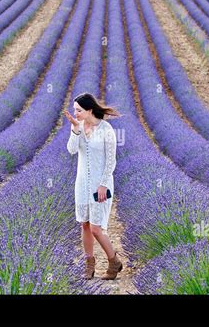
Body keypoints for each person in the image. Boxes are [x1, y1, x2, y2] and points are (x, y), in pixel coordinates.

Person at [63, 92, 122, 280]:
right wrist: (74, 129)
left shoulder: (106, 130)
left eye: (79, 110)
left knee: (96, 228)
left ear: (89, 110)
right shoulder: (78, 127)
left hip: (100, 185)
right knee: (85, 225)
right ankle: (89, 265)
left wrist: (104, 184)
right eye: (74, 110)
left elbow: (111, 161)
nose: (76, 113)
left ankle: (114, 261)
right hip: (82, 184)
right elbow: (71, 150)